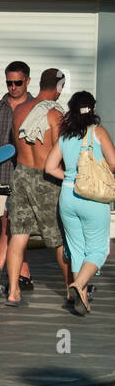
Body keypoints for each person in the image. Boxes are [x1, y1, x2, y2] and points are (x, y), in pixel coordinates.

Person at [45, 92, 115, 316]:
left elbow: (49, 167)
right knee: (99, 249)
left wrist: (71, 176)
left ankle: (81, 295)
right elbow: (113, 164)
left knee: (76, 249)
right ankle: (80, 283)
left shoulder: (65, 136)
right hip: (93, 198)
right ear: (92, 108)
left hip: (68, 197)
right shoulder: (98, 132)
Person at [4, 68, 69, 305]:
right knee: (59, 237)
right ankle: (71, 290)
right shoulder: (54, 115)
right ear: (59, 87)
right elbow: (61, 152)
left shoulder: (20, 110)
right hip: (46, 179)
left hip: (21, 174)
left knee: (18, 235)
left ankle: (13, 290)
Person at [0, 62, 35, 284]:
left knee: (17, 226)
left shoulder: (36, 108)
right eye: (9, 82)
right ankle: (5, 273)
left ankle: (17, 272)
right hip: (1, 176)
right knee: (6, 225)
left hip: (28, 177)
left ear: (28, 81)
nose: (13, 87)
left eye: (17, 83)